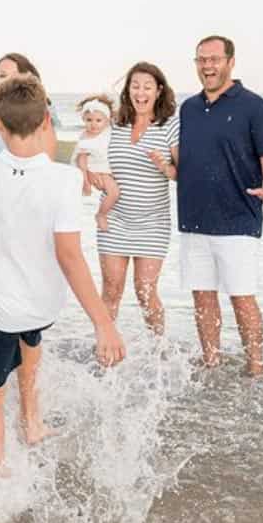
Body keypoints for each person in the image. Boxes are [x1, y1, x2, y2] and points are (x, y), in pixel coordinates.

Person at [0, 76, 127, 468]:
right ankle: (31, 422)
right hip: (45, 305)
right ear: (46, 121)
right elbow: (70, 256)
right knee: (30, 340)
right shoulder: (66, 179)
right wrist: (103, 324)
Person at [176, 36, 263, 376]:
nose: (207, 66)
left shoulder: (254, 106)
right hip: (194, 219)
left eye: (214, 59)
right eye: (201, 60)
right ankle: (212, 362)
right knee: (203, 299)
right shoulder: (188, 108)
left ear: (230, 62)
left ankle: (256, 368)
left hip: (238, 218)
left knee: (242, 297)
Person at [98, 62, 180, 336]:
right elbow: (92, 157)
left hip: (152, 223)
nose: (140, 92)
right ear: (128, 90)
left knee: (145, 292)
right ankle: (105, 354)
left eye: (147, 86)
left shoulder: (169, 126)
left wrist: (164, 167)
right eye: (135, 86)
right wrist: (93, 176)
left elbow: (182, 173)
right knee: (111, 290)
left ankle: (158, 351)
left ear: (159, 91)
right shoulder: (114, 126)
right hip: (114, 220)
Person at [0, 53, 60, 159]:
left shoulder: (40, 110)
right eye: (2, 76)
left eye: (15, 75)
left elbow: (48, 158)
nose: (8, 81)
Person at [72, 94, 120, 232]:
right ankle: (101, 215)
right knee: (114, 193)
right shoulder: (85, 137)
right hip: (98, 170)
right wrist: (85, 181)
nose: (93, 124)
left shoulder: (107, 131)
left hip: (107, 168)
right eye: (89, 120)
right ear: (83, 120)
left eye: (98, 120)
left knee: (116, 193)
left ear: (107, 121)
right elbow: (81, 161)